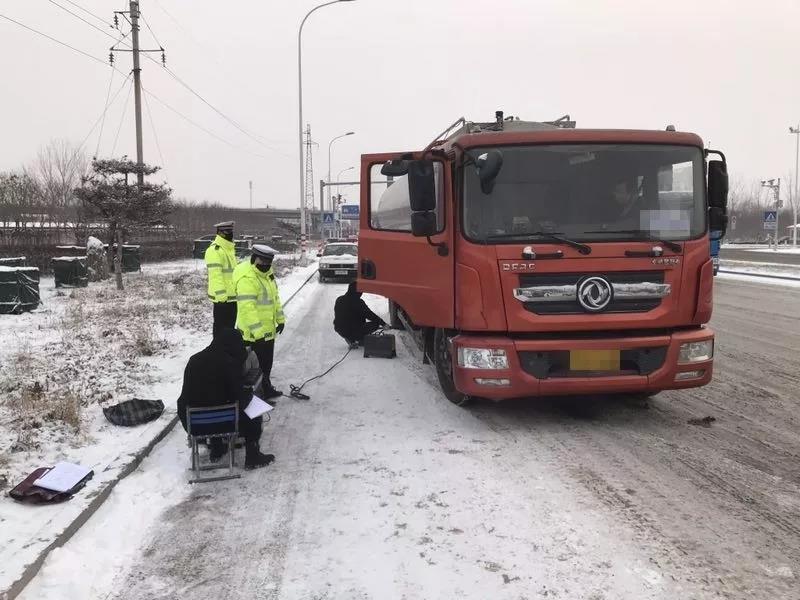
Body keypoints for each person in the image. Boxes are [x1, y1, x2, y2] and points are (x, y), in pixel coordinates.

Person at [176, 328, 275, 470]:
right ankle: (253, 456)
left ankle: (217, 447)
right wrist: (248, 393)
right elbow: (240, 397)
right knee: (252, 410)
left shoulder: (194, 360)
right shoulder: (229, 363)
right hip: (225, 424)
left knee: (209, 403)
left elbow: (184, 398)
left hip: (196, 426)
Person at [234, 244, 285, 399]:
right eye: (263, 261)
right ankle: (251, 396)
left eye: (269, 262)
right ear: (254, 258)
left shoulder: (268, 275)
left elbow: (274, 299)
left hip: (268, 331)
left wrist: (280, 319)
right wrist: (258, 333)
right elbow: (247, 308)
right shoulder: (247, 278)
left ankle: (266, 388)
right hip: (252, 334)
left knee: (266, 364)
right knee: (253, 368)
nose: (266, 265)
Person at [204, 221, 238, 334]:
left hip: (232, 297)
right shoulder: (215, 250)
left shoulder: (229, 249)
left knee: (229, 330)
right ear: (220, 233)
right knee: (220, 330)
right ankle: (219, 346)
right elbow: (215, 276)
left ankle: (227, 346)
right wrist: (221, 298)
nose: (230, 234)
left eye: (231, 231)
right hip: (222, 300)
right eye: (227, 231)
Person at [334, 282, 386, 348]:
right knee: (375, 324)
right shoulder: (359, 302)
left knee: (351, 321)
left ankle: (350, 339)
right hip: (354, 330)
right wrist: (383, 324)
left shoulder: (339, 299)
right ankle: (359, 339)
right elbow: (370, 315)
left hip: (340, 329)